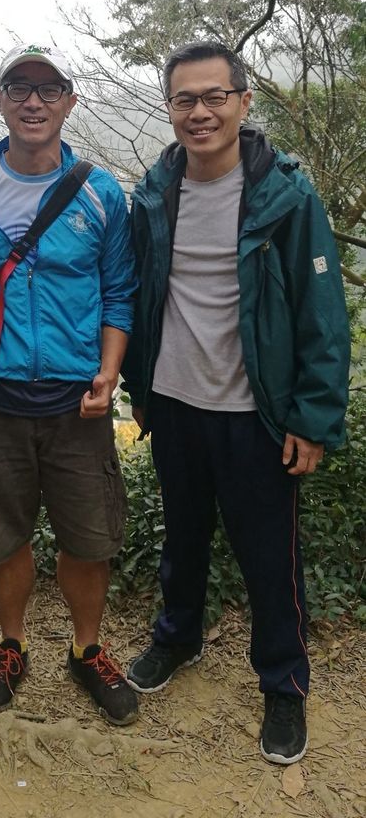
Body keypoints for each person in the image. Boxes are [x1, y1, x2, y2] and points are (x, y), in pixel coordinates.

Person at [121, 40, 350, 765]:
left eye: (214, 96)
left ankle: (283, 683)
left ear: (243, 102)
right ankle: (178, 637)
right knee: (182, 539)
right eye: (184, 99)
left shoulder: (286, 197)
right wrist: (137, 390)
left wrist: (312, 417)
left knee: (268, 558)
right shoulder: (155, 195)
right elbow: (139, 297)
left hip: (257, 413)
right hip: (174, 402)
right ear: (169, 108)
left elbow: (321, 315)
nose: (200, 112)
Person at [0, 44, 138, 725]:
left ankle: (86, 650)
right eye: (18, 87)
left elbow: (118, 291)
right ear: (0, 101)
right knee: (2, 535)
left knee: (88, 538)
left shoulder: (99, 193)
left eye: (48, 90)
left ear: (69, 102)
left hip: (77, 402)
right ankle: (11, 645)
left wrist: (109, 371)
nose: (33, 101)